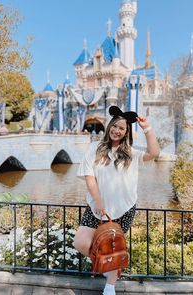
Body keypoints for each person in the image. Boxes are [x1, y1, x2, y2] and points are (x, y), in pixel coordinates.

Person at [73, 105, 160, 295]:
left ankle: (110, 285)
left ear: (126, 132)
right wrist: (98, 201)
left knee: (114, 248)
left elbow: (154, 153)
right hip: (97, 208)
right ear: (109, 126)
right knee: (80, 242)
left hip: (124, 208)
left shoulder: (131, 153)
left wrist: (147, 128)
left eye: (122, 128)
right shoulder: (94, 148)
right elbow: (89, 177)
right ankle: (105, 265)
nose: (117, 130)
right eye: (115, 126)